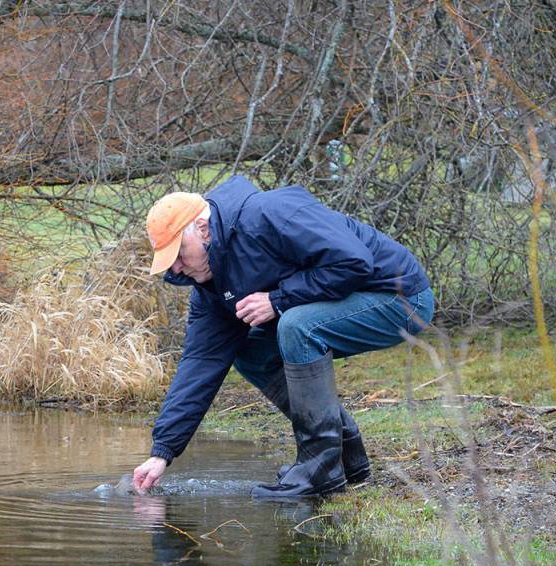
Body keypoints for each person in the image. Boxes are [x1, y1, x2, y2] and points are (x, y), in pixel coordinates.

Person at [132, 175, 433, 498]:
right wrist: (162, 451)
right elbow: (200, 362)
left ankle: (320, 469)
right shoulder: (211, 286)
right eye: (169, 261)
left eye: (179, 254)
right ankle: (345, 455)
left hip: (399, 298)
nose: (176, 269)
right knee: (251, 352)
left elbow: (354, 262)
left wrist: (278, 300)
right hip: (353, 299)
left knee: (297, 326)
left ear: (203, 229)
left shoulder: (269, 213)